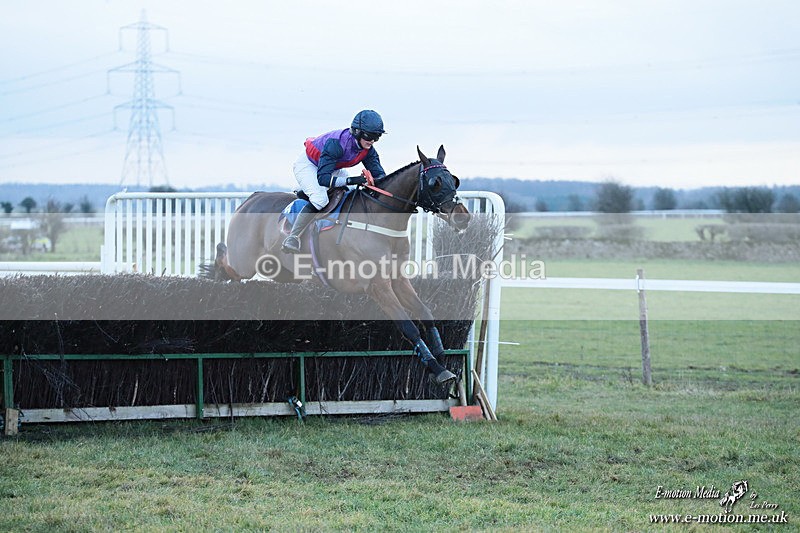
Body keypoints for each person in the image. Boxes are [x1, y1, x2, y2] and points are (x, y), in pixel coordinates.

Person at [281, 110, 387, 254]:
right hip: (310, 165)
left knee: (349, 194)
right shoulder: (336, 144)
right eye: (370, 136)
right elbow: (323, 179)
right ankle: (293, 237)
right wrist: (352, 180)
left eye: (377, 136)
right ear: (357, 132)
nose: (372, 140)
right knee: (320, 199)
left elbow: (380, 175)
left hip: (332, 167)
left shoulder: (368, 149)